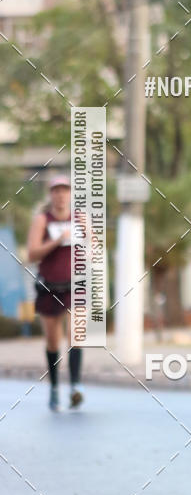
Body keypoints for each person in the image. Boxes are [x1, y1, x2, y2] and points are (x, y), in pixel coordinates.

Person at [27, 175, 84, 411]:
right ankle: (54, 388)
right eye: (56, 191)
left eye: (65, 190)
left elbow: (95, 249)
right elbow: (32, 254)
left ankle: (75, 387)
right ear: (51, 195)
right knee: (53, 341)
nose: (61, 195)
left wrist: (87, 238)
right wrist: (57, 240)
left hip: (76, 285)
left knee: (77, 335)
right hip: (50, 287)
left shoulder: (80, 218)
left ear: (70, 194)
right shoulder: (42, 220)